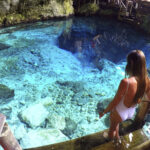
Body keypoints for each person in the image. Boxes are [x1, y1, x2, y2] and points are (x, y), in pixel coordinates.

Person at [99, 50, 149, 142]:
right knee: (116, 123)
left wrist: (104, 111)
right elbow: (146, 98)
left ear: (131, 63)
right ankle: (117, 137)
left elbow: (115, 101)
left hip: (120, 112)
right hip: (131, 111)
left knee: (112, 127)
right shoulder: (146, 80)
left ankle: (110, 139)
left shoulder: (126, 82)